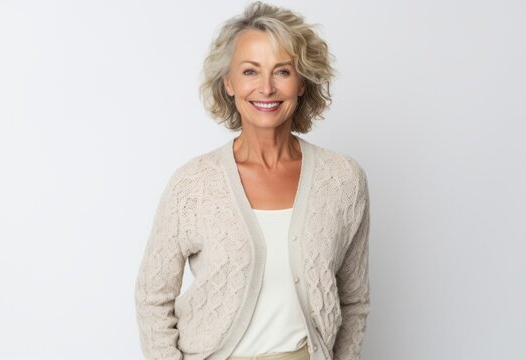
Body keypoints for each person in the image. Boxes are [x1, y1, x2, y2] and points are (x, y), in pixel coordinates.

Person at [134, 2, 371, 360]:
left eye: (282, 72)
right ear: (228, 83)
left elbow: (354, 301)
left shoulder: (343, 180)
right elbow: (152, 298)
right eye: (250, 71)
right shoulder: (193, 185)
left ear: (302, 81)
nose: (266, 88)